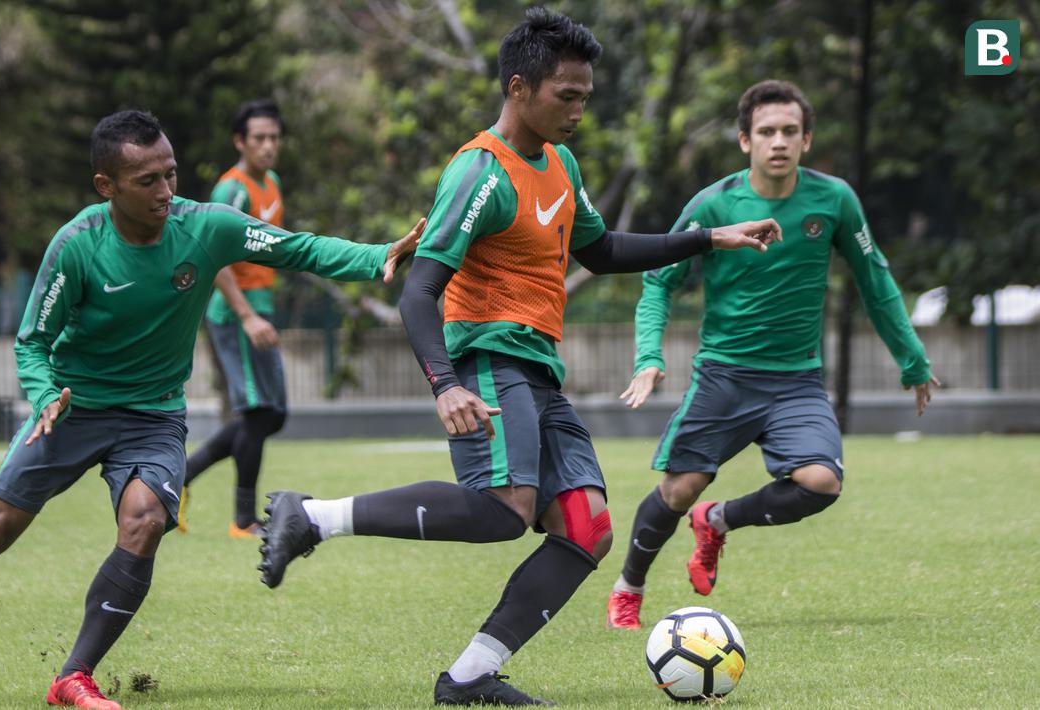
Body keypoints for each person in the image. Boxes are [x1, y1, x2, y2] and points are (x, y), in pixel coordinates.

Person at [255, 9, 781, 706]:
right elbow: (419, 292)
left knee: (587, 527)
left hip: (536, 371)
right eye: (567, 96)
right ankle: (312, 516)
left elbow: (600, 250)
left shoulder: (560, 164)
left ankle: (469, 676)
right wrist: (444, 384)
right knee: (505, 508)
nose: (579, 111)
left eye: (585, 97)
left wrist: (708, 238)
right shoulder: (479, 173)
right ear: (518, 87)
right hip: (485, 359)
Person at [0, 109, 422, 708]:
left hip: (153, 415)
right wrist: (42, 396)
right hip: (71, 406)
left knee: (144, 520)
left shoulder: (206, 227)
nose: (165, 191)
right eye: (147, 181)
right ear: (106, 187)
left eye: (170, 174)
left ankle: (74, 676)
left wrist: (376, 258)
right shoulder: (79, 245)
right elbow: (31, 341)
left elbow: (297, 248)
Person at [605, 80, 940, 631]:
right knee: (679, 489)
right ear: (745, 141)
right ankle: (628, 588)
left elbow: (874, 280)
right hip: (724, 378)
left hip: (796, 382)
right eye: (766, 132)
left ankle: (717, 521)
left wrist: (913, 360)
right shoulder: (714, 203)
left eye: (789, 131)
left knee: (821, 482)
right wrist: (648, 355)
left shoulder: (834, 200)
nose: (778, 141)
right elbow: (660, 281)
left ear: (806, 140)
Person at [180, 99, 289, 538]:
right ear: (240, 142)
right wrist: (245, 316)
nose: (268, 146)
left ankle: (183, 475)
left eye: (274, 138)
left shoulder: (273, 183)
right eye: (259, 138)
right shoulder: (232, 189)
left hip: (259, 306)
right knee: (258, 412)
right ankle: (243, 520)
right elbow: (214, 257)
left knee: (271, 415)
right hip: (235, 313)